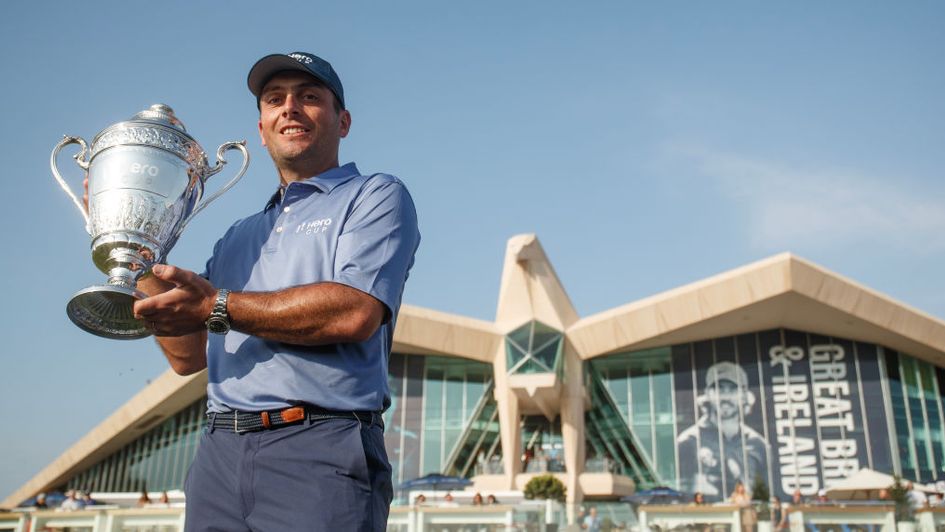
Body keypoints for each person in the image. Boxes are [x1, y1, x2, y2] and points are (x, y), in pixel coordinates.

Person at [123, 51, 420, 532]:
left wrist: (216, 305)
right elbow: (187, 356)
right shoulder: (238, 235)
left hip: (321, 447)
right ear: (261, 130)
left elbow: (353, 312)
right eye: (275, 99)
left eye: (309, 97)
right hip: (218, 454)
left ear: (342, 122)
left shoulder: (375, 196)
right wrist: (135, 241)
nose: (290, 108)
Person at [676, 362, 769, 499]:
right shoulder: (688, 441)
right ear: (708, 393)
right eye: (719, 389)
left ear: (743, 394)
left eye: (732, 389)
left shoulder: (759, 445)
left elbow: (765, 493)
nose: (725, 397)